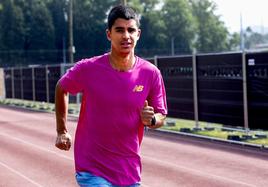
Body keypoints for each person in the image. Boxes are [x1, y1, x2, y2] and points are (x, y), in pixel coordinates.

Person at [55, 4, 167, 187]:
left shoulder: (151, 73)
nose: (126, 36)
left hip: (128, 170)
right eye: (119, 30)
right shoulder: (88, 68)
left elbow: (161, 114)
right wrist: (61, 130)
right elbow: (62, 87)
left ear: (138, 34)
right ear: (109, 34)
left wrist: (152, 119)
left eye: (131, 30)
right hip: (92, 168)